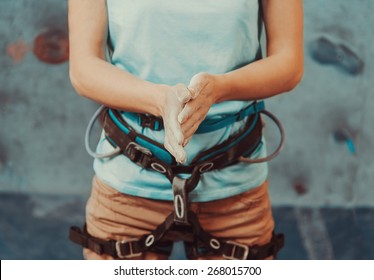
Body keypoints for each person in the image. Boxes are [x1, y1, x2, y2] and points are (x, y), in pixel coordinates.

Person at [68, 0, 303, 260]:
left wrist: (220, 88)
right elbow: (84, 69)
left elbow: (288, 63)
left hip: (234, 186)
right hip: (128, 183)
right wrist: (158, 99)